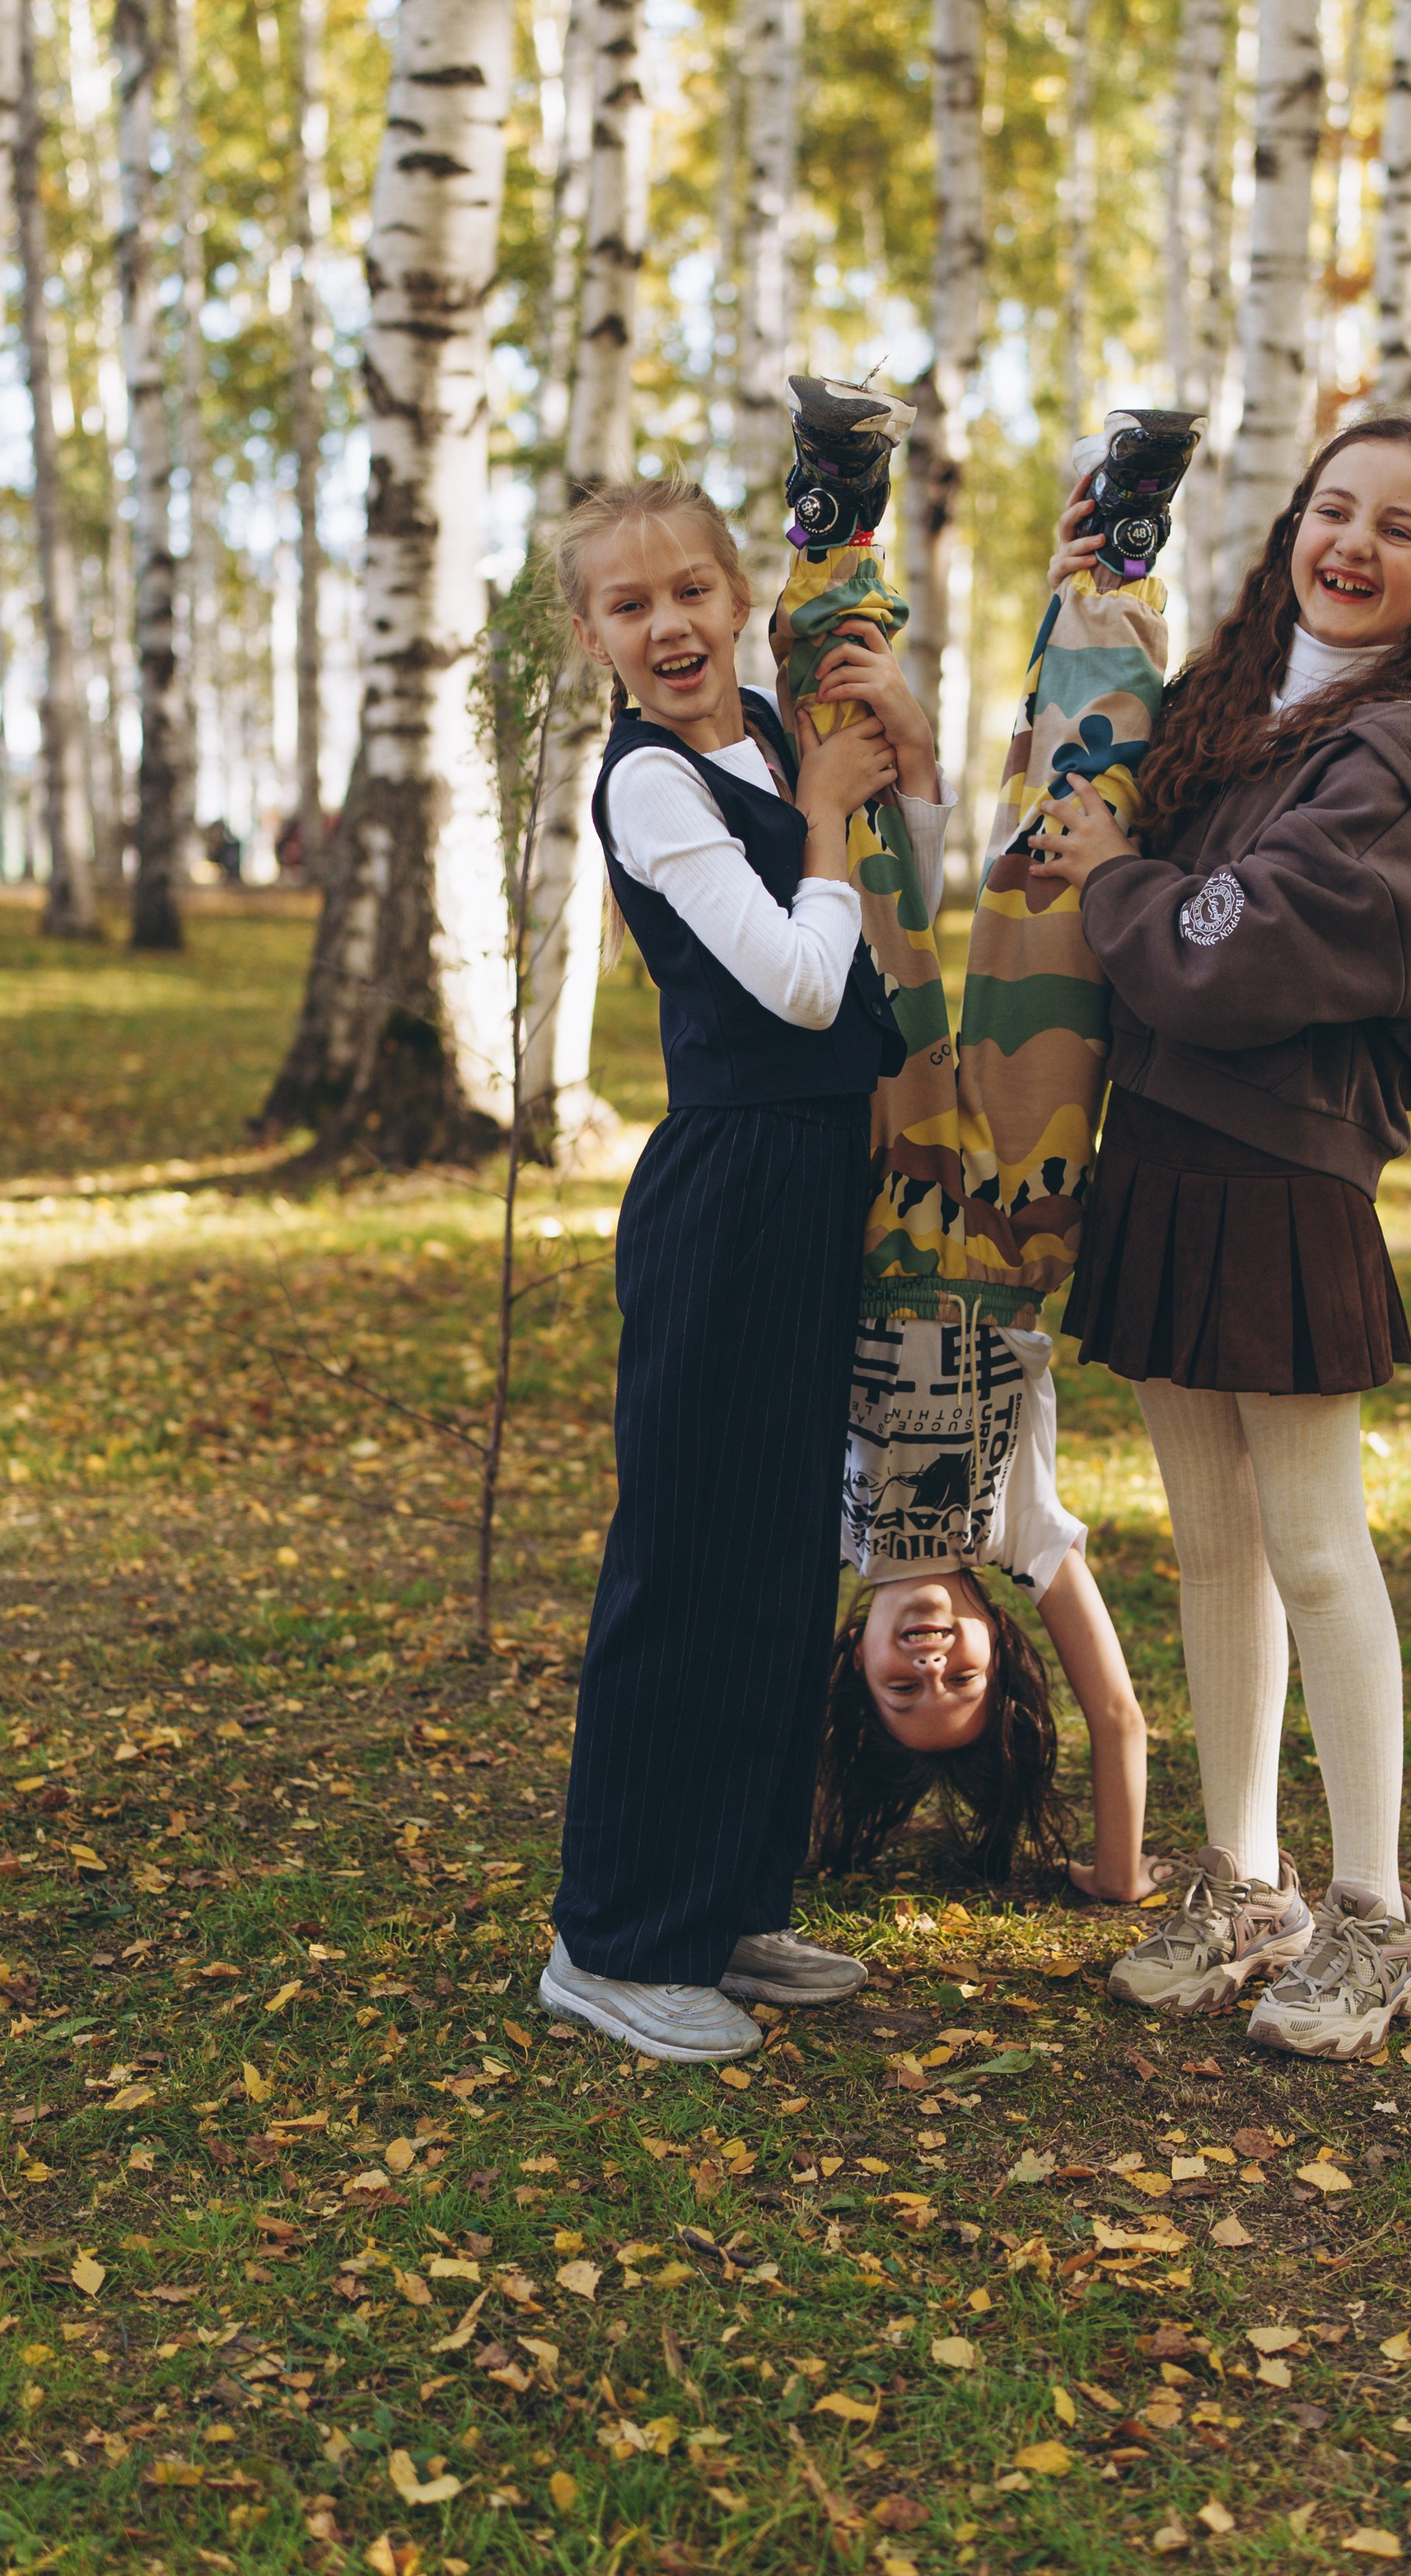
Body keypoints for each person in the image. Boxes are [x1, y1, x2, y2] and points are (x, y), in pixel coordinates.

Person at [1028, 416, 1411, 2060]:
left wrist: (1115, 887)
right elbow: (1072, 833)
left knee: (1315, 1548)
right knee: (1212, 1546)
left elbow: (1231, 947)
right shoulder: (1229, 710)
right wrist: (1085, 632)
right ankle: (1246, 1886)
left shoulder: (1397, 752)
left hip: (1284, 1177)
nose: (1352, 544)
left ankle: (1375, 1919)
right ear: (1290, 531)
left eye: (1398, 528)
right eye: (1331, 509)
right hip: (1165, 1160)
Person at [540, 472, 951, 2064]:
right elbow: (792, 981)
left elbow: (907, 870)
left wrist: (888, 740)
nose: (668, 627)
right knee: (688, 1558)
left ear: (736, 598)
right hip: (727, 1188)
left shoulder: (767, 741)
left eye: (690, 594)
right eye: (629, 606)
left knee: (782, 1555)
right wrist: (835, 815)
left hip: (813, 1181)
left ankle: (727, 1898)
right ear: (594, 636)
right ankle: (617, 1939)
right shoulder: (652, 786)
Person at [812, 1314, 1173, 1901]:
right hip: (994, 1249)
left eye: (903, 1689)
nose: (932, 1669)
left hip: (862, 1252)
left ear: (858, 1658)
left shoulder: (820, 1532)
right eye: (964, 1679)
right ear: (999, 1641)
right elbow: (1117, 1714)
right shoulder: (1021, 1535)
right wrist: (1117, 1874)